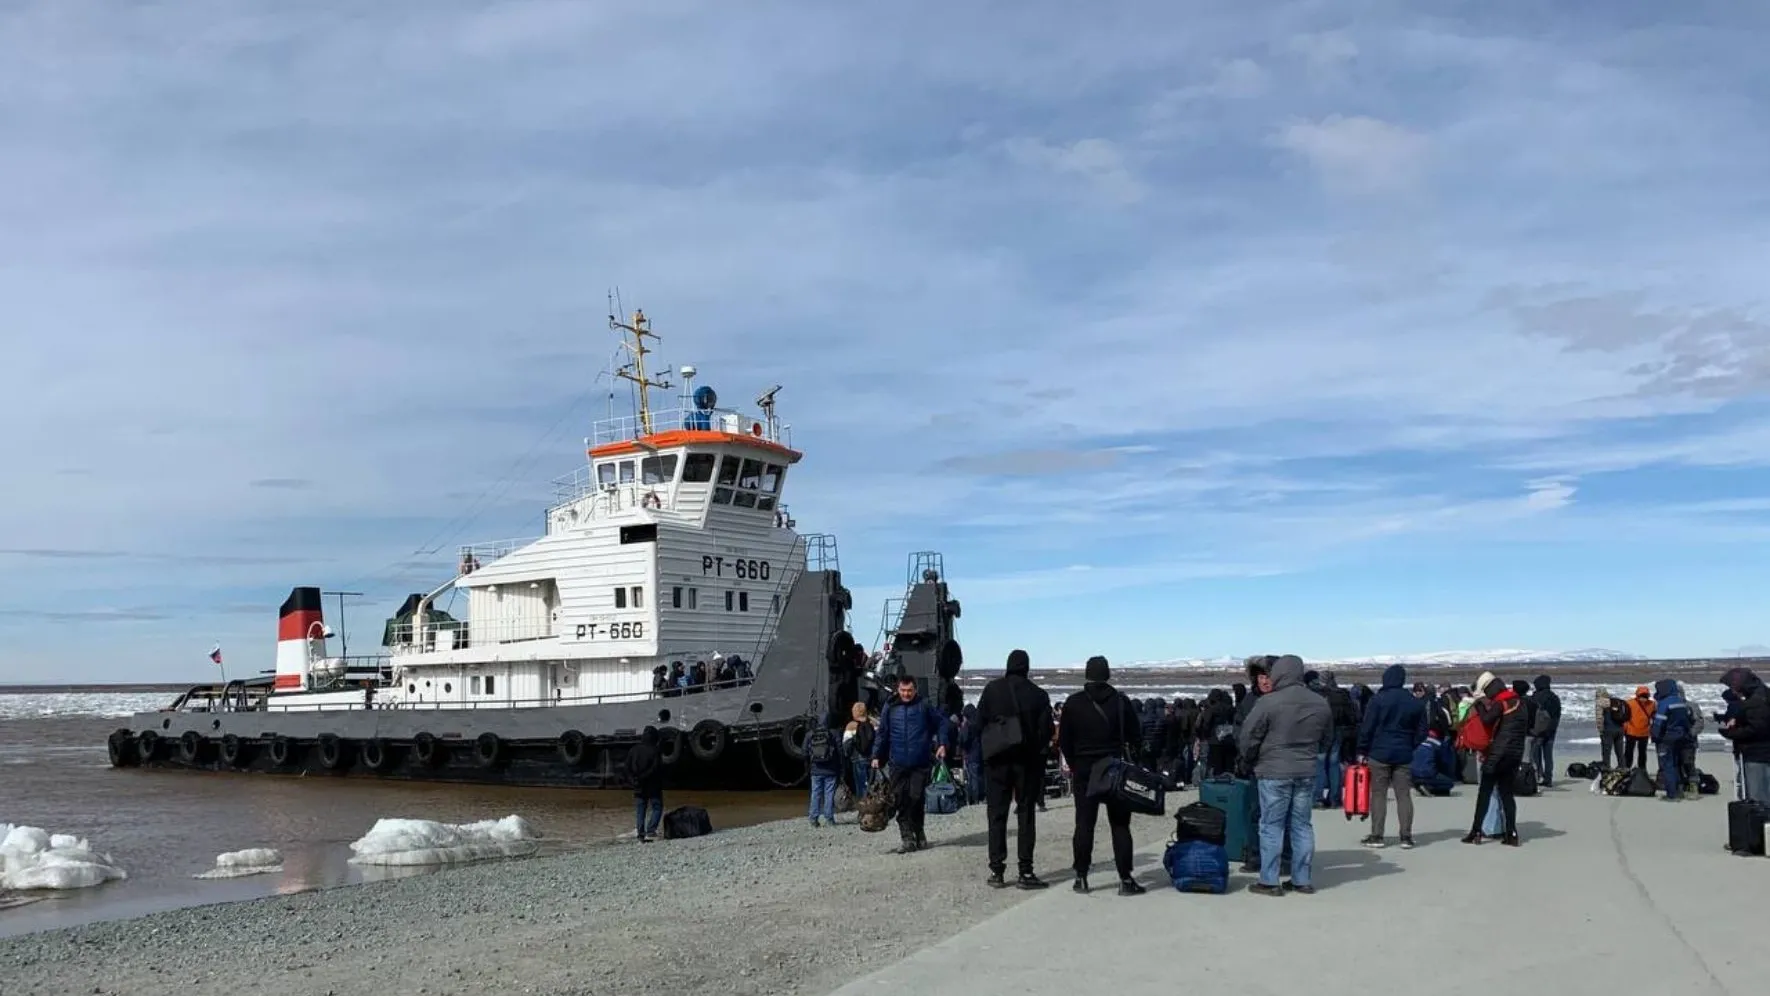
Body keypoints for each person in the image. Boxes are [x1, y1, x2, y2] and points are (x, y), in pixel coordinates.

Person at [1238, 654, 1333, 896]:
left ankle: (1269, 881)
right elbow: (1327, 739)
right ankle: (1302, 879)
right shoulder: (1320, 702)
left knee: (1271, 825)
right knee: (1302, 825)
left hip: (1273, 770)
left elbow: (1249, 736)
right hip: (1305, 770)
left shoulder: (1269, 702)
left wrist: (1250, 758)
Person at [1058, 655, 1145, 896]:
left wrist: (1076, 764)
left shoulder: (1073, 703)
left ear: (1087, 674)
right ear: (1107, 675)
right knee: (1120, 825)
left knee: (1084, 824)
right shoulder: (1120, 701)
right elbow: (1135, 736)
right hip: (1114, 768)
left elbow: (1064, 740)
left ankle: (1081, 877)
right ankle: (1125, 879)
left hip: (1085, 769)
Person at [975, 648, 1056, 890]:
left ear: (1008, 665)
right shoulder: (1038, 695)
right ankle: (1025, 871)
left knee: (996, 814)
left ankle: (997, 870)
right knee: (1025, 814)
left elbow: (978, 723)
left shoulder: (992, 689)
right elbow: (1047, 731)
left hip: (997, 762)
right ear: (1027, 668)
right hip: (1027, 763)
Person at [871, 674, 950, 853]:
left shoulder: (924, 705)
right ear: (898, 690)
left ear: (915, 690)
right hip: (897, 763)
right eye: (903, 690)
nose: (906, 694)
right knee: (899, 800)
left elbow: (942, 723)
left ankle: (919, 831)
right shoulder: (890, 707)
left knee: (916, 799)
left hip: (920, 762)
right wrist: (876, 755)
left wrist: (942, 744)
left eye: (910, 691)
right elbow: (882, 733)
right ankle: (907, 838)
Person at [1357, 664, 1428, 848]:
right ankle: (1406, 836)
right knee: (1403, 795)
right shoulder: (1414, 702)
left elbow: (1367, 727)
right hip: (1403, 753)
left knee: (1379, 794)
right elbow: (1422, 731)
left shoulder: (1377, 700)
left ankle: (1377, 835)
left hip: (1379, 752)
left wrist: (1362, 750)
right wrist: (1411, 745)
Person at [1462, 673, 1529, 846]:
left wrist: (1478, 705)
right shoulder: (1521, 703)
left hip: (1497, 755)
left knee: (1484, 794)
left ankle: (1475, 831)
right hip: (1515, 754)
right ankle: (1512, 833)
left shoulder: (1501, 703)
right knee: (1507, 795)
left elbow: (1486, 720)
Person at [1719, 667, 1770, 801]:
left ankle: (1762, 820)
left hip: (1757, 753)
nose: (1733, 691)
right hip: (1760, 751)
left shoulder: (1756, 700)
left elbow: (1757, 729)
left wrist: (1731, 733)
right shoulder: (1761, 693)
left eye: (1732, 687)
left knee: (1757, 796)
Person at [1649, 679, 1692, 801]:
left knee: (1667, 765)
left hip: (1666, 738)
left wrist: (1654, 736)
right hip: (1681, 737)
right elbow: (1687, 721)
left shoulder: (1664, 703)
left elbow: (1659, 722)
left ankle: (1671, 794)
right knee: (1676, 764)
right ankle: (1678, 791)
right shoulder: (1681, 702)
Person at [627, 727, 665, 842]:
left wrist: (633, 780)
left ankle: (640, 833)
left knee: (640, 810)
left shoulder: (634, 750)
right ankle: (651, 830)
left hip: (638, 785)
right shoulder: (655, 751)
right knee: (657, 807)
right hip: (653, 785)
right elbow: (655, 768)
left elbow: (627, 767)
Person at [809, 719, 843, 826]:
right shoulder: (834, 733)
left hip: (815, 769)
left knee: (816, 793)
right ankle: (829, 818)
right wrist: (841, 766)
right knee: (829, 793)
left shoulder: (811, 734)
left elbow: (804, 751)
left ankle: (814, 818)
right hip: (831, 770)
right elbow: (840, 750)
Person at [1530, 675, 1562, 787]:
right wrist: (1553, 728)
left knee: (1536, 755)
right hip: (1551, 731)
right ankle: (1548, 778)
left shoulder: (1535, 697)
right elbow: (1557, 715)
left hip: (1538, 731)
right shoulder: (1554, 697)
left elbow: (1532, 714)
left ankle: (1539, 775)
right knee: (1548, 755)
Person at [842, 701, 875, 801]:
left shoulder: (851, 726)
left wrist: (847, 756)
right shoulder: (874, 723)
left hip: (858, 759)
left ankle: (863, 806)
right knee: (872, 784)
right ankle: (873, 806)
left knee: (861, 785)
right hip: (872, 758)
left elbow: (846, 744)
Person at [1410, 726, 1458, 796]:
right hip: (1428, 773)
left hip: (1413, 774)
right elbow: (1445, 763)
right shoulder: (1438, 744)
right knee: (1449, 783)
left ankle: (1419, 785)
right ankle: (1428, 787)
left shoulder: (1419, 740)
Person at [1622, 686, 1655, 770]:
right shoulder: (1630, 703)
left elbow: (1654, 717)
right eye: (1642, 696)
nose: (1643, 699)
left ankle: (1641, 769)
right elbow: (1625, 717)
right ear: (1638, 695)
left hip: (1642, 732)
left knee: (1641, 753)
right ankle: (1628, 768)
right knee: (1629, 752)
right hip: (1632, 731)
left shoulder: (1652, 704)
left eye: (1645, 697)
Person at [1596, 688, 1628, 770]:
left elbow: (1599, 718)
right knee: (1620, 751)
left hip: (1608, 730)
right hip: (1620, 729)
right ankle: (1622, 767)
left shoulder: (1600, 702)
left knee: (1606, 751)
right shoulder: (1616, 701)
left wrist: (1600, 730)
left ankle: (1607, 768)